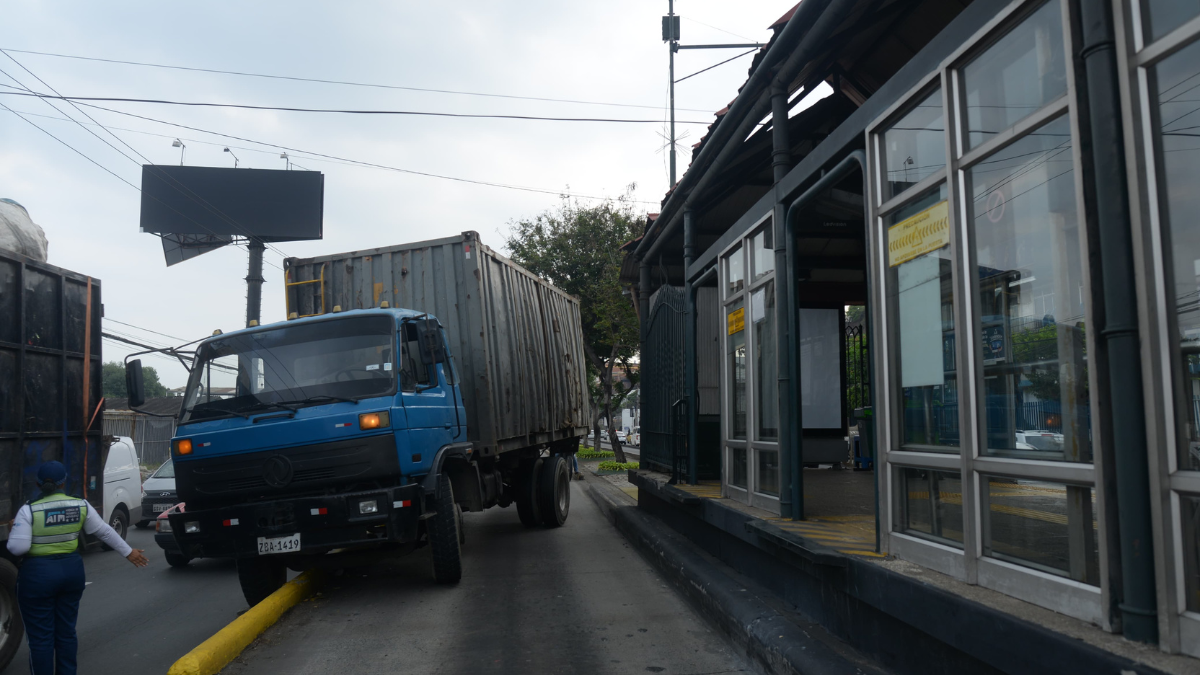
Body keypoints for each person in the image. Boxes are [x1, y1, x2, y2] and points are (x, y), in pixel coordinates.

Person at [7, 460, 149, 675]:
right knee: (66, 633)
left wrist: (13, 530)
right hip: (71, 573)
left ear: (38, 484)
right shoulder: (80, 505)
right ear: (64, 483)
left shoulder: (29, 510)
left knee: (41, 638)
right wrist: (129, 552)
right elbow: (104, 531)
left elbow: (18, 548)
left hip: (38, 577)